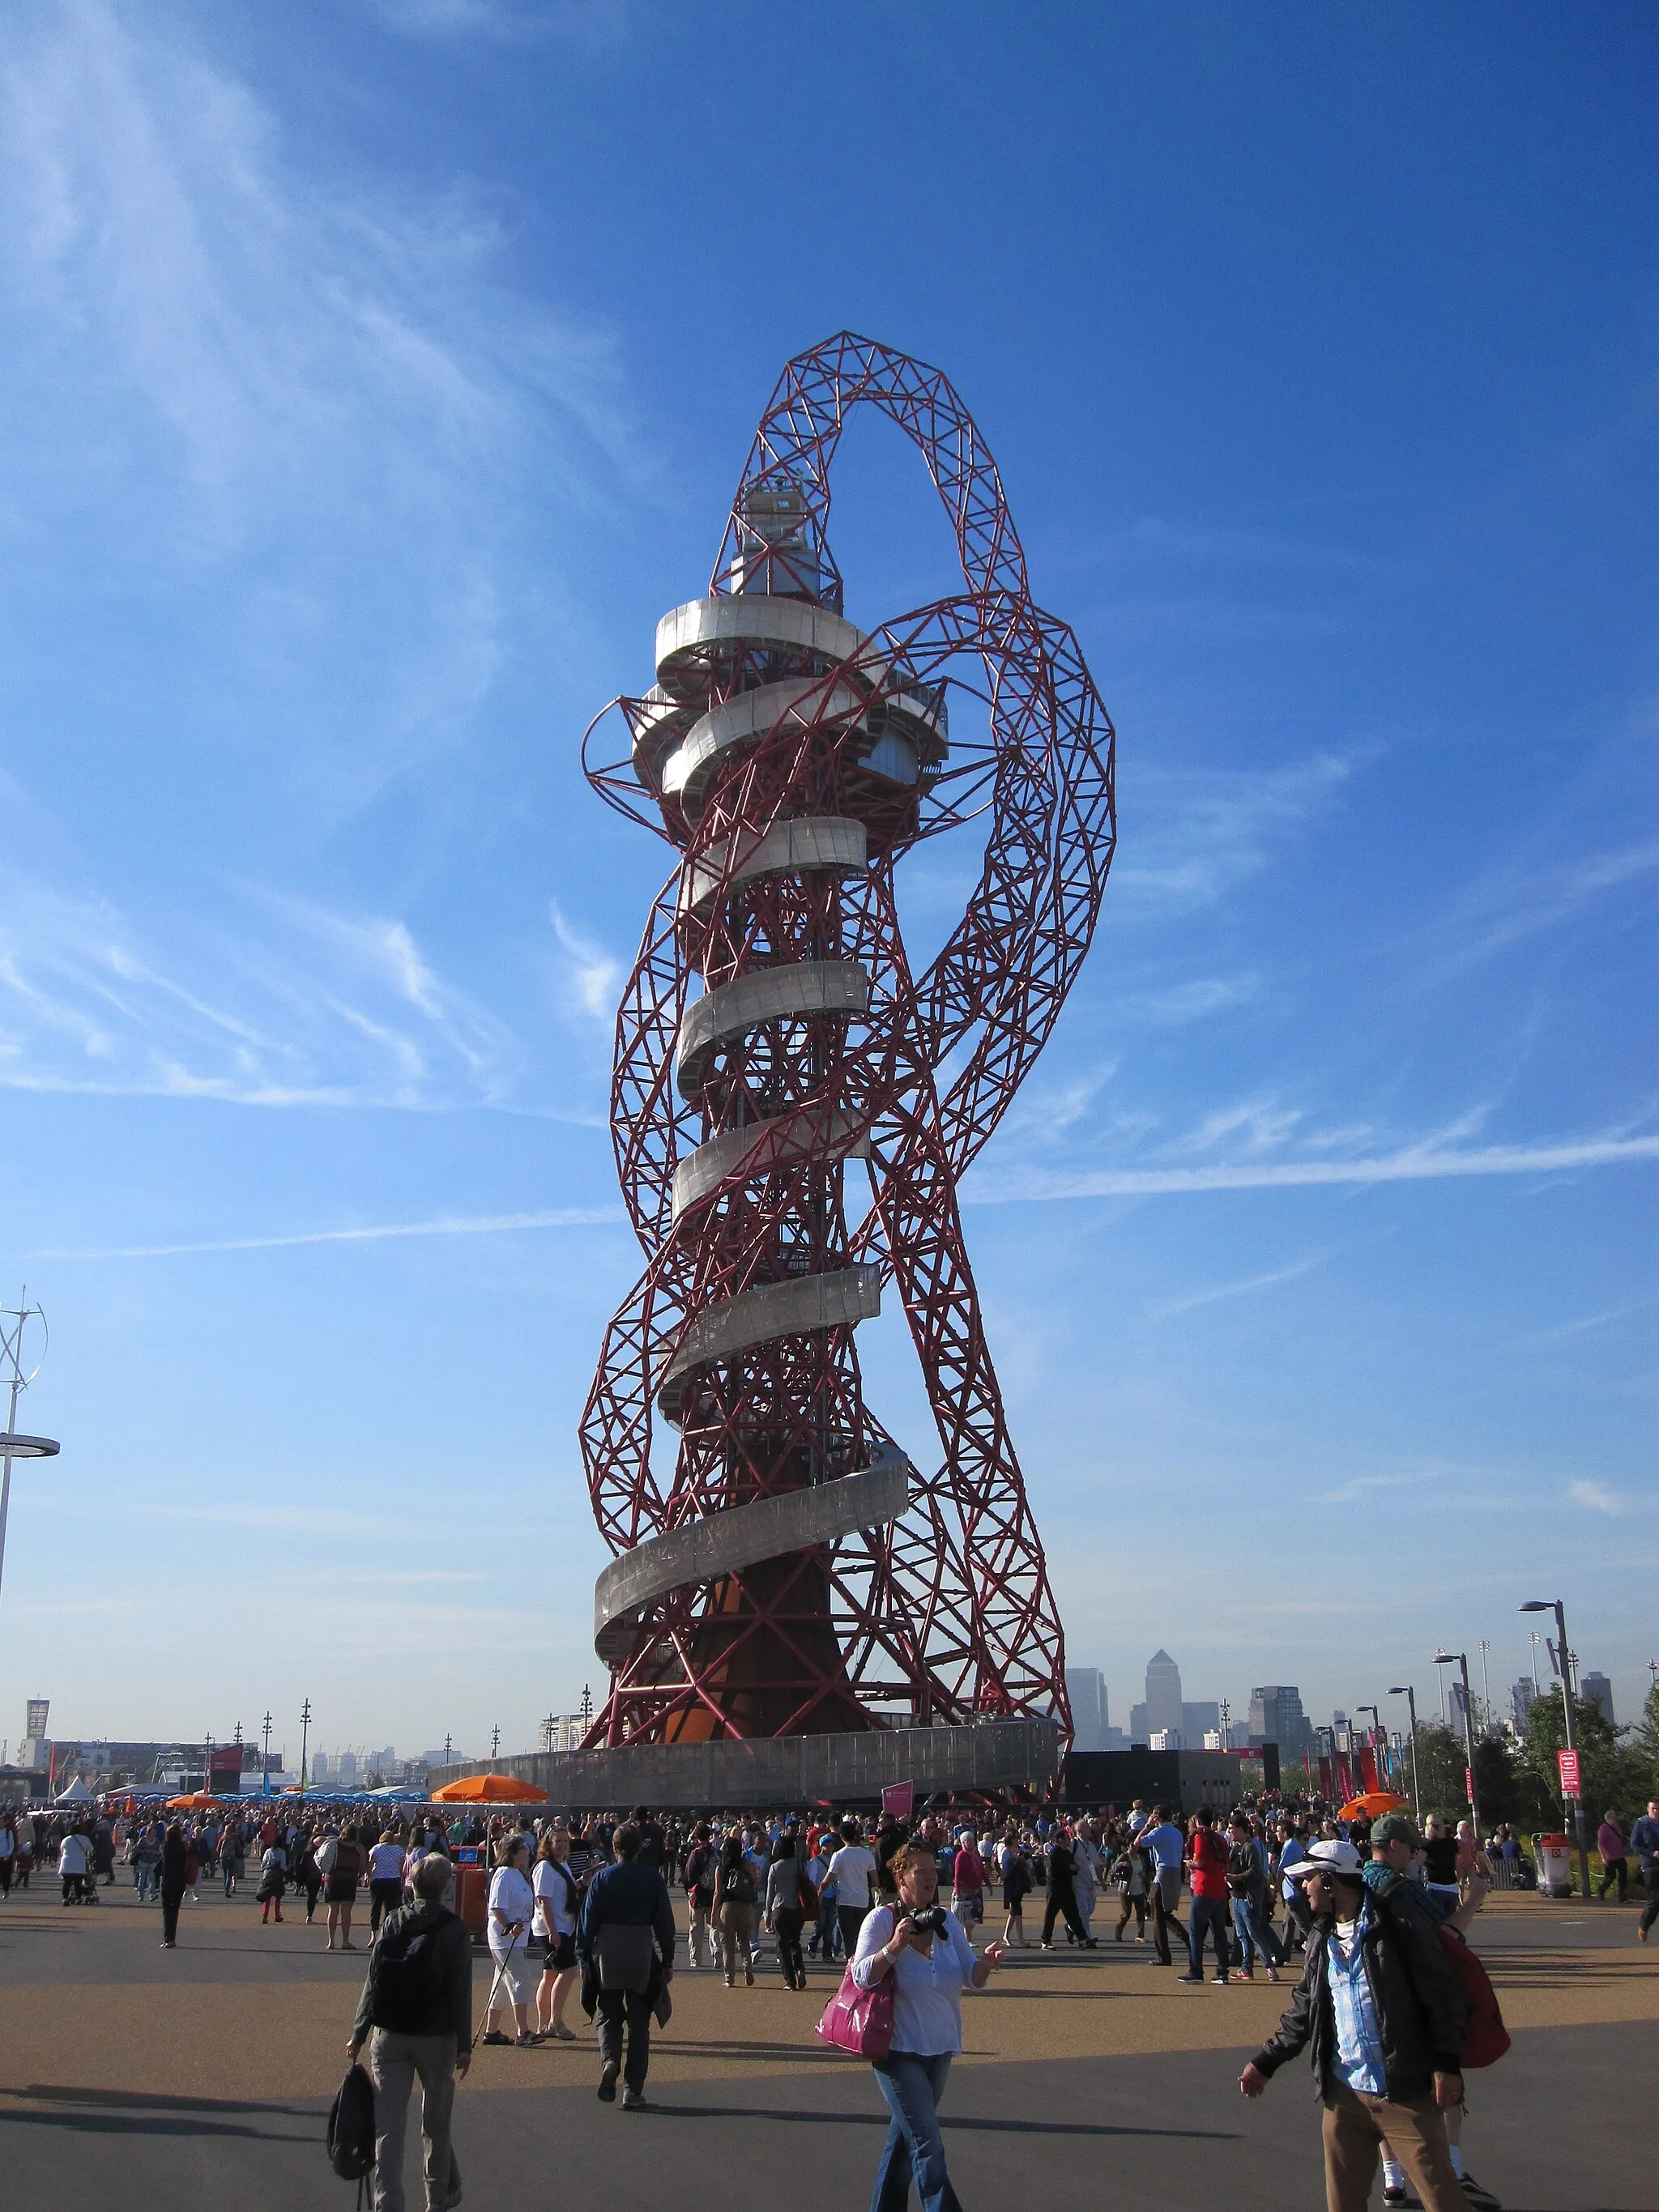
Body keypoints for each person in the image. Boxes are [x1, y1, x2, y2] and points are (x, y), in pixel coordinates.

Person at [1239, 1838, 1467, 2212]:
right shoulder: (1320, 1939)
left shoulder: (1399, 1929)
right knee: (1342, 2205)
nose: (1301, 1889)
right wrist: (1266, 2062)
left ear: (1330, 1883)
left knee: (1444, 2202)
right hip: (1344, 2097)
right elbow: (1303, 2012)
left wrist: (1446, 2063)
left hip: (1404, 2092)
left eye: (1309, 1878)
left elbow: (1443, 1999)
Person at [851, 1841, 1006, 2212]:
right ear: (900, 1876)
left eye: (934, 1872)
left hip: (939, 2047)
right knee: (927, 2143)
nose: (930, 1879)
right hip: (898, 2050)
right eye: (921, 1872)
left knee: (906, 2141)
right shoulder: (881, 1920)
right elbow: (860, 1976)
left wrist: (986, 1964)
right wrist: (892, 1948)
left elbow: (972, 1976)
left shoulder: (946, 1921)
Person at [348, 1850, 471, 2212]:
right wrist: (465, 2044)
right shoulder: (454, 1929)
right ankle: (437, 2198)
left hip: (390, 2031)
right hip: (436, 2034)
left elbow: (374, 1980)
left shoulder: (393, 1921)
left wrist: (358, 2031)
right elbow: (460, 1991)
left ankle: (388, 2203)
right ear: (446, 1886)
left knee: (389, 2126)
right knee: (435, 2123)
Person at [576, 1820, 676, 2109]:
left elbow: (587, 1921)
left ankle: (609, 2061)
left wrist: (583, 1955)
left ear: (615, 1848)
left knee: (607, 2014)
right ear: (640, 1848)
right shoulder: (653, 1879)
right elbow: (665, 1923)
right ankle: (632, 2090)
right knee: (640, 2023)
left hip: (606, 1950)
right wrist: (667, 1958)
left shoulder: (602, 1879)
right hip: (640, 1949)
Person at [482, 1835, 538, 2046]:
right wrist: (508, 1926)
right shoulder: (503, 1874)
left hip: (518, 1937)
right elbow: (496, 1907)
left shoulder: (518, 1874)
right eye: (524, 1848)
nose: (528, 1851)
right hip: (505, 1937)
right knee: (520, 1979)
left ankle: (491, 2030)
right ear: (513, 1852)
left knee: (502, 1984)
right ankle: (523, 2031)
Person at [532, 1827, 582, 2039]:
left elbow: (561, 1893)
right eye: (557, 1841)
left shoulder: (562, 1865)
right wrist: (552, 1930)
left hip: (564, 1925)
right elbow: (544, 1900)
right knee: (569, 1971)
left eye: (565, 1841)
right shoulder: (545, 1867)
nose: (562, 1844)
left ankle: (544, 2024)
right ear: (548, 1844)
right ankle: (556, 2021)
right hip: (553, 1928)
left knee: (550, 1974)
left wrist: (580, 1883)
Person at [1226, 1809, 1282, 1983]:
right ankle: (1246, 1968)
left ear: (1242, 1829)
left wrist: (1236, 1877)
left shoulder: (1251, 1847)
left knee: (1254, 1934)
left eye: (1232, 1828)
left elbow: (1255, 1872)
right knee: (1243, 1934)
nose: (1229, 1831)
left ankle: (1269, 1967)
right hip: (1237, 1896)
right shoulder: (1236, 1848)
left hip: (1248, 1898)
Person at [1179, 1807, 1232, 1984]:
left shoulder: (1200, 1837)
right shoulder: (1220, 1838)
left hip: (1203, 1888)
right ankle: (1222, 1971)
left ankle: (1196, 1970)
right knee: (1219, 1932)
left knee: (1195, 1932)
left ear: (1197, 1821)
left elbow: (1200, 1862)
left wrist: (1189, 1864)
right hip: (1219, 1889)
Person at [1138, 1804, 1187, 1965]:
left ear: (1157, 1817)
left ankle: (1163, 1956)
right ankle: (1189, 1941)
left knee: (1158, 1916)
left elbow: (1138, 1843)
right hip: (1175, 1871)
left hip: (1163, 1873)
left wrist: (1147, 1826)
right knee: (1166, 1914)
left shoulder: (1159, 1831)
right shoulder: (1176, 1832)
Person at [828, 1820, 880, 1960]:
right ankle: (860, 1960)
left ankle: (850, 1960)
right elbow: (875, 1880)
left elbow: (828, 1879)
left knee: (848, 1936)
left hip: (845, 1899)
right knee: (861, 1934)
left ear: (841, 1836)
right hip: (862, 1899)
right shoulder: (867, 1855)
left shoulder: (838, 1855)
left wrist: (820, 1893)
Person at [712, 1831, 757, 1988]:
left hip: (727, 1906)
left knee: (727, 1945)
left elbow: (717, 1893)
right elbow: (756, 1880)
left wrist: (713, 1914)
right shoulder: (746, 1864)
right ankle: (747, 1967)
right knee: (744, 1940)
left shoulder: (721, 1868)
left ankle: (729, 1978)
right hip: (745, 1906)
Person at [765, 1834, 809, 1989]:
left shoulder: (775, 1867)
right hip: (796, 1907)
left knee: (782, 1945)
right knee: (795, 1942)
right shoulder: (798, 1864)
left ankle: (790, 1981)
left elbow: (770, 1894)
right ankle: (800, 1969)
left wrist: (767, 1915)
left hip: (779, 1907)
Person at [1039, 1826, 1096, 1949]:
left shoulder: (1067, 1853)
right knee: (1050, 1915)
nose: (1069, 1840)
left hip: (1067, 1888)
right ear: (1060, 1840)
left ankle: (1083, 1939)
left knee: (1073, 1914)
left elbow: (1072, 1867)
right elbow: (1051, 1872)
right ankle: (1045, 1941)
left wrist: (1074, 1869)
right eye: (1067, 1838)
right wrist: (1069, 1869)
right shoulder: (1054, 1853)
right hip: (1055, 1889)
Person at [326, 1822, 367, 1952]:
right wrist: (357, 1875)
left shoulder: (335, 1843)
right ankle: (345, 1941)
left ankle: (331, 1941)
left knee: (333, 1910)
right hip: (349, 1879)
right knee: (346, 1912)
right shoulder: (358, 1848)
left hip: (333, 1877)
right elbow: (363, 1867)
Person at [683, 1822, 718, 1969]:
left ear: (697, 1838)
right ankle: (717, 1952)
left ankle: (695, 1958)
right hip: (713, 1896)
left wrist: (690, 1893)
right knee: (714, 1926)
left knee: (696, 1929)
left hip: (697, 1897)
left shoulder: (695, 1854)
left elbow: (688, 1877)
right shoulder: (716, 1853)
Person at [369, 1830, 408, 1933]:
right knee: (390, 1908)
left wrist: (369, 1877)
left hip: (378, 1879)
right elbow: (402, 1866)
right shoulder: (399, 1849)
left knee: (375, 1907)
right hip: (393, 1880)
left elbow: (370, 1864)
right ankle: (387, 1931)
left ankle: (373, 1934)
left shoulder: (376, 1848)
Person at [159, 1819, 190, 1948]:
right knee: (175, 1910)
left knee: (167, 1910)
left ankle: (168, 1938)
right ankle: (172, 1938)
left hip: (167, 1879)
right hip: (179, 1880)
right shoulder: (182, 1847)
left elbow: (163, 1863)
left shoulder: (165, 1846)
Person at [1632, 1799, 1659, 1941]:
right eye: (1653, 1809)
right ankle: (1644, 1926)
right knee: (1655, 1901)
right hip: (1650, 1867)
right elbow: (1634, 1845)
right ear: (1648, 1809)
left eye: (1658, 1809)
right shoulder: (1642, 1824)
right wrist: (1651, 1853)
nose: (1656, 1811)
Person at [1596, 1812, 1628, 1903]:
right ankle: (1602, 1889)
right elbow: (1600, 1844)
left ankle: (1622, 1897)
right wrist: (1603, 1857)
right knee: (1610, 1877)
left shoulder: (1617, 1827)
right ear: (1609, 1818)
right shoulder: (1603, 1829)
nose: (1616, 1819)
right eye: (1614, 1818)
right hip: (1609, 1857)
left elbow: (1621, 1838)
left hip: (1620, 1856)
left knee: (1623, 1877)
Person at [58, 1824, 92, 1906]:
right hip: (79, 1863)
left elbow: (62, 1849)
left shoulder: (66, 1839)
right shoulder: (84, 1839)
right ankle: (78, 1898)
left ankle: (65, 1899)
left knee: (67, 1883)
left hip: (67, 1863)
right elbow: (91, 1849)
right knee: (78, 1883)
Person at [257, 1836, 288, 1924]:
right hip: (277, 1875)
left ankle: (265, 1915)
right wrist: (286, 1869)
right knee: (278, 1896)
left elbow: (263, 1864)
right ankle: (277, 1915)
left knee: (267, 1896)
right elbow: (282, 1866)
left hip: (267, 1874)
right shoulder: (282, 1852)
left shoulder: (268, 1851)